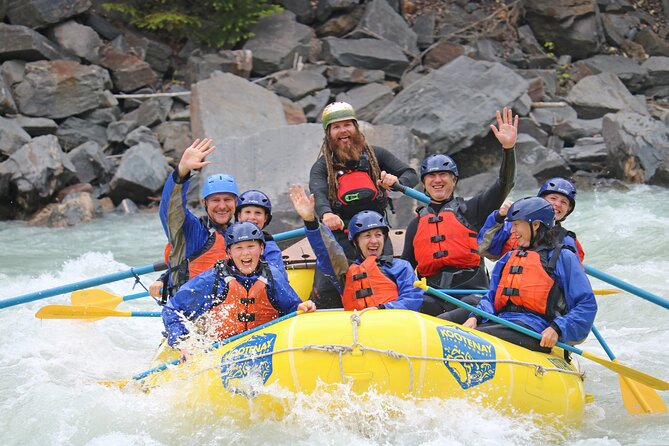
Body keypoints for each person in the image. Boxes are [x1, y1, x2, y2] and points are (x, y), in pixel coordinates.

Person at [401, 108, 518, 317]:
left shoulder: (472, 210)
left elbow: (504, 183)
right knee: (413, 306)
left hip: (472, 296)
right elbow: (406, 271)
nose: (438, 180)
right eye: (432, 176)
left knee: (462, 309)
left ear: (454, 181)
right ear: (424, 185)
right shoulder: (416, 225)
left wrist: (508, 150)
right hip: (435, 297)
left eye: (444, 175)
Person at [308, 101, 418, 307]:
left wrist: (397, 183)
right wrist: (326, 214)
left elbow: (411, 175)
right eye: (336, 127)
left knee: (383, 281)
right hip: (340, 235)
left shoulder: (376, 155)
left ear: (355, 128)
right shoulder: (322, 166)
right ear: (328, 133)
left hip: (375, 233)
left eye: (347, 125)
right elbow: (319, 194)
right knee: (326, 288)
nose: (343, 131)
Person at [457, 197, 597, 353]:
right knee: (459, 332)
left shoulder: (562, 257)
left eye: (516, 224)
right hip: (502, 322)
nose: (513, 231)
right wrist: (475, 316)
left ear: (536, 225)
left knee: (471, 340)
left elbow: (586, 304)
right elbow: (492, 297)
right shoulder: (509, 258)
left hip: (535, 329)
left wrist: (557, 328)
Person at [162, 221, 317, 355]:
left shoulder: (273, 277)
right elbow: (172, 310)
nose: (246, 253)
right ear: (229, 252)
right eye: (239, 248)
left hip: (266, 347)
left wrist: (302, 307)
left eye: (251, 246)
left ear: (261, 249)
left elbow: (291, 308)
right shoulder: (212, 280)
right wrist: (183, 342)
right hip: (222, 349)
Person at [289, 184, 423, 311]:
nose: (374, 241)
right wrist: (310, 221)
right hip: (356, 330)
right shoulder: (345, 273)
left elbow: (413, 298)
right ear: (355, 242)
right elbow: (326, 251)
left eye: (378, 235)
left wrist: (383, 309)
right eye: (367, 236)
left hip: (391, 326)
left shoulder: (401, 267)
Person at [150, 138, 238, 302]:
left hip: (230, 313)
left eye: (227, 199)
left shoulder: (240, 235)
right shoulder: (191, 232)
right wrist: (181, 173)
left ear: (236, 202)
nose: (222, 206)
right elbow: (171, 210)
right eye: (215, 200)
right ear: (204, 203)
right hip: (192, 313)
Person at [478, 177, 585, 262]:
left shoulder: (568, 240)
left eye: (564, 202)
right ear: (540, 200)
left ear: (568, 210)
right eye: (553, 198)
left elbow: (573, 276)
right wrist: (499, 217)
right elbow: (483, 249)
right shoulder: (513, 226)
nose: (557, 204)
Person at [235, 189, 285, 271]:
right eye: (247, 212)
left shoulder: (270, 247)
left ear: (265, 218)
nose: (252, 217)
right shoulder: (228, 241)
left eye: (258, 213)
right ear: (239, 216)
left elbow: (277, 277)